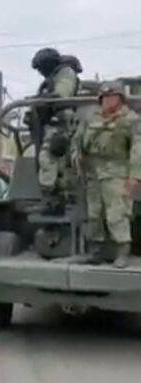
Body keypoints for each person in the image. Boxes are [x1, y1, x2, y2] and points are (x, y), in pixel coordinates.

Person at [73, 81, 141, 268]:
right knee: (94, 213)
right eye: (104, 97)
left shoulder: (130, 119)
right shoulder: (90, 117)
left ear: (120, 98)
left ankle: (122, 252)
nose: (107, 100)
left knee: (116, 213)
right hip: (92, 171)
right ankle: (95, 252)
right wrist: (76, 157)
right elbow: (78, 140)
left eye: (112, 97)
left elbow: (137, 150)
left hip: (117, 171)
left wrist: (135, 177)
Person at [30, 47, 79, 214]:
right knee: (55, 164)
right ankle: (56, 199)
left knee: (47, 157)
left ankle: (49, 198)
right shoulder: (51, 79)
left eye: (41, 68)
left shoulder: (66, 73)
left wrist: (44, 99)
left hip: (62, 123)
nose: (41, 73)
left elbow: (62, 95)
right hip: (52, 125)